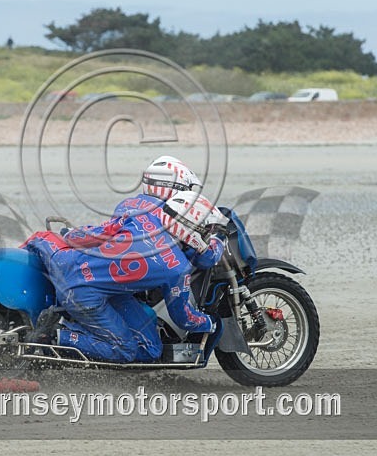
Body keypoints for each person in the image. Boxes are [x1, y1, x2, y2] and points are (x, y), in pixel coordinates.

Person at [22, 156, 228, 363]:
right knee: (137, 350)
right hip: (83, 293)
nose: (208, 234)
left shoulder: (137, 208)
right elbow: (184, 319)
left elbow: (99, 232)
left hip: (67, 259)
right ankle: (56, 334)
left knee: (41, 237)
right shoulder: (178, 268)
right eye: (206, 230)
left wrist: (68, 235)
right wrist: (210, 323)